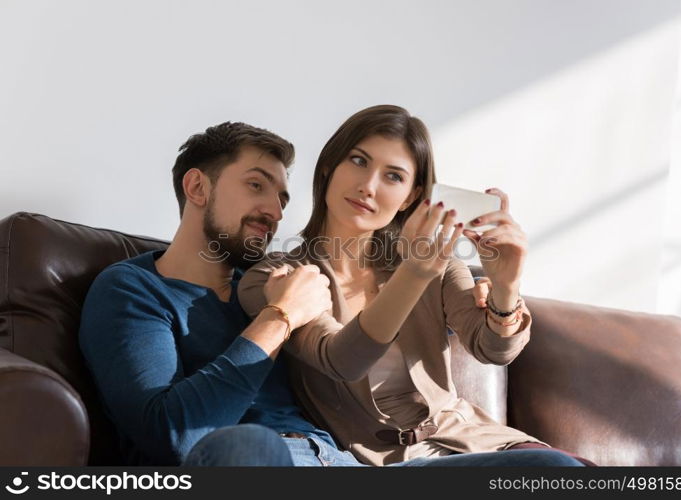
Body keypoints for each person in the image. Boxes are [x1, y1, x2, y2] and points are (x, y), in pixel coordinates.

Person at [78, 120, 582, 467]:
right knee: (250, 448)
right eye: (256, 186)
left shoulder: (272, 280)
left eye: (281, 196)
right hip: (261, 458)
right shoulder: (138, 288)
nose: (273, 210)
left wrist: (505, 284)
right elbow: (175, 434)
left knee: (554, 469)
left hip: (340, 461)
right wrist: (280, 317)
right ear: (197, 187)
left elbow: (493, 346)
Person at [237, 105, 594, 466]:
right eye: (358, 161)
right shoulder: (276, 279)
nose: (368, 186)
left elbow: (493, 351)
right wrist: (414, 273)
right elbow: (343, 360)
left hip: (474, 441)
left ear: (410, 196)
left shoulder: (438, 267)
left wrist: (506, 284)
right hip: (376, 461)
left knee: (574, 470)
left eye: (393, 177)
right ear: (329, 167)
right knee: (553, 470)